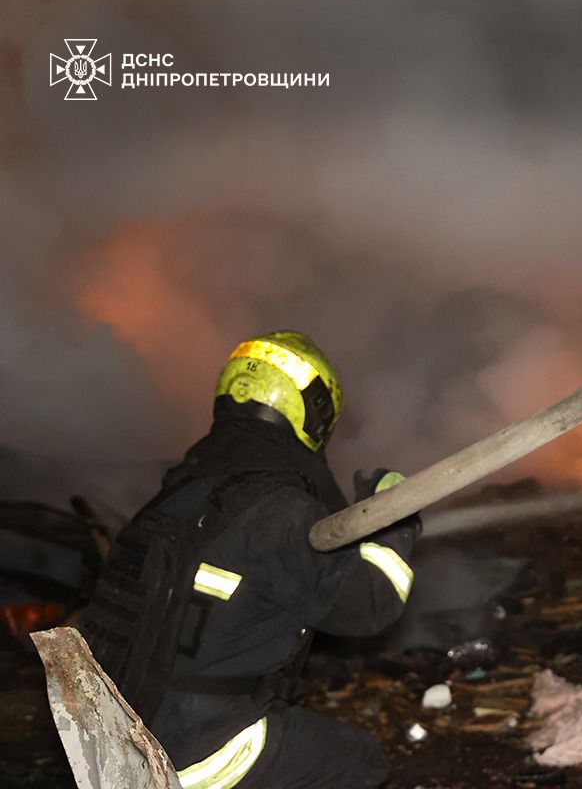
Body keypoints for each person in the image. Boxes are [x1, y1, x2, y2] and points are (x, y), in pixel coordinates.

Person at [80, 330, 419, 789]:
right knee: (358, 762)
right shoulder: (277, 509)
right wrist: (395, 521)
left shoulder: (176, 498)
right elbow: (369, 605)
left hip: (111, 744)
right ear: (312, 416)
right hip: (198, 751)